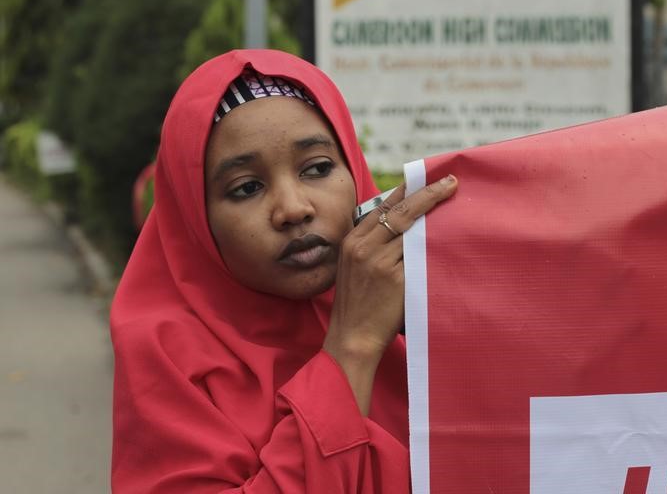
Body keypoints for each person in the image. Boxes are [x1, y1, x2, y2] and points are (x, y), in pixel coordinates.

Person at [110, 49, 457, 492]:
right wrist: (352, 349)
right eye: (247, 188)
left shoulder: (414, 299)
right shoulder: (165, 351)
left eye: (317, 168)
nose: (294, 209)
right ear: (197, 219)